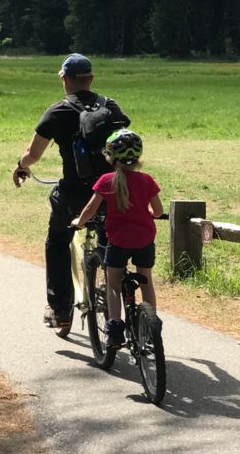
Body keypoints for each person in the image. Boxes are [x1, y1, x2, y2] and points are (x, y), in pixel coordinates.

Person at [12, 53, 129, 335]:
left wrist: (20, 167)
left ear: (65, 79)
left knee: (57, 241)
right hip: (112, 191)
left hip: (75, 194)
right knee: (108, 235)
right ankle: (107, 282)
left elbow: (33, 154)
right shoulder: (110, 106)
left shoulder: (59, 111)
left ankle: (60, 310)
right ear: (91, 79)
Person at [71, 129, 163, 347]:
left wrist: (79, 222)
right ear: (138, 157)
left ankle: (114, 330)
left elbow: (90, 209)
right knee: (146, 280)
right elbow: (158, 212)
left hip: (118, 242)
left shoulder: (106, 181)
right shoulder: (147, 180)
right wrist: (147, 214)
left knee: (113, 283)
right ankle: (152, 327)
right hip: (144, 240)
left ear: (110, 156)